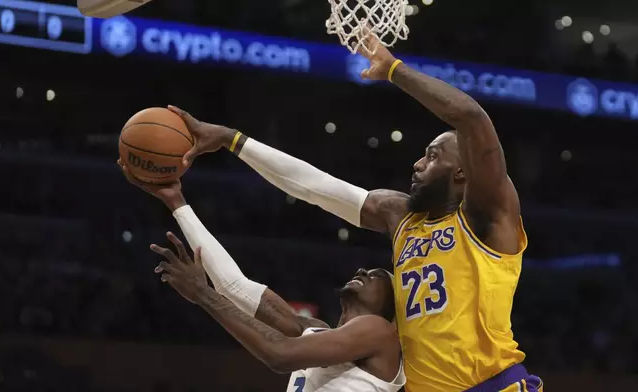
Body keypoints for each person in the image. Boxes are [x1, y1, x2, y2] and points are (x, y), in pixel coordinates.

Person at [163, 33, 543, 392]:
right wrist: (233, 140)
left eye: (432, 155)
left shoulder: (488, 218)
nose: (417, 164)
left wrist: (395, 69)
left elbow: (472, 120)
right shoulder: (402, 219)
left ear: (463, 171)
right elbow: (314, 186)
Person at [117, 162, 406, 392]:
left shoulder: (379, 332)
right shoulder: (314, 332)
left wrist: (202, 294)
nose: (362, 272)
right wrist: (178, 203)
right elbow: (234, 286)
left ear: (391, 307)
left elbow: (279, 354)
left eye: (377, 275)